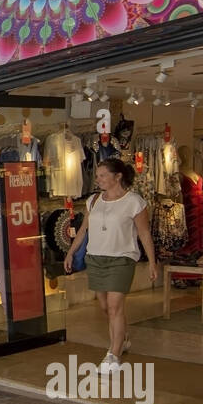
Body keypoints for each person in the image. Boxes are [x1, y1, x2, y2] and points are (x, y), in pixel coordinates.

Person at [65, 157, 158, 374]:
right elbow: (83, 231)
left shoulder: (135, 202)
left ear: (118, 176)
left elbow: (144, 234)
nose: (98, 180)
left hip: (122, 259)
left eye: (103, 175)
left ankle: (113, 355)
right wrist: (71, 252)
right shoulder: (94, 201)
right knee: (105, 307)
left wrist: (153, 262)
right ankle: (122, 338)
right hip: (96, 258)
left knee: (115, 306)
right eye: (97, 176)